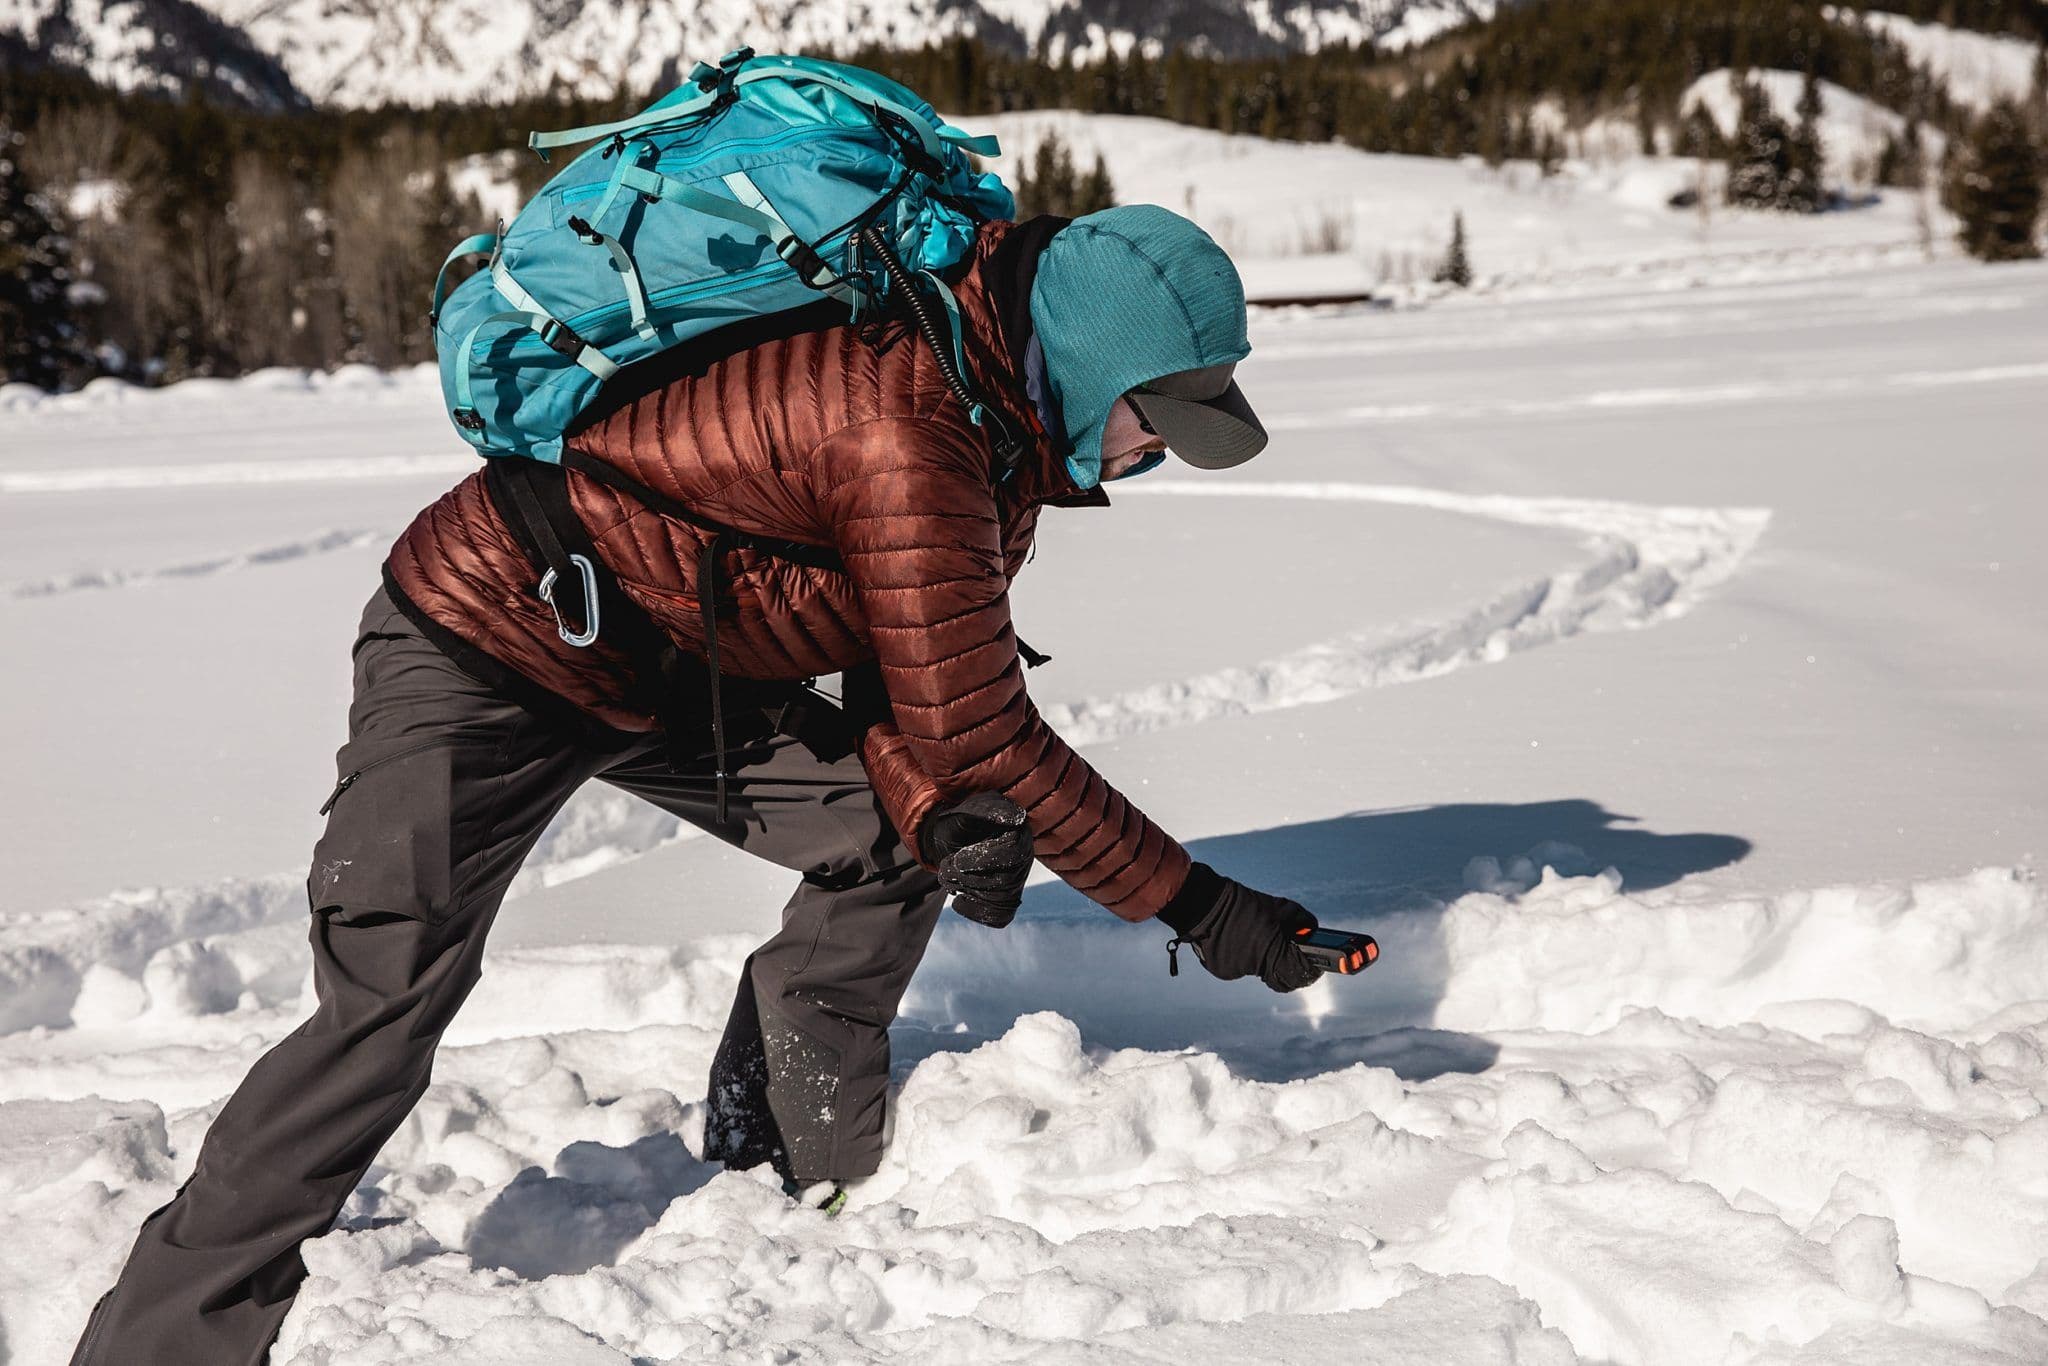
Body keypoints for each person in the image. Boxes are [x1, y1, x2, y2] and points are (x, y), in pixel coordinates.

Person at [70, 204, 1328, 1365]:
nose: (1156, 446)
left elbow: (912, 683)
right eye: (1155, 412)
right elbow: (984, 732)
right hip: (488, 643)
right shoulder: (912, 432)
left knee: (892, 843)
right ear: (1090, 361)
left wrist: (933, 804)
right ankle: (160, 1342)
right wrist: (1201, 907)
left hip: (670, 660)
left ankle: (775, 1166)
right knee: (384, 1007)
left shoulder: (990, 419)